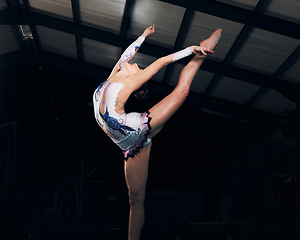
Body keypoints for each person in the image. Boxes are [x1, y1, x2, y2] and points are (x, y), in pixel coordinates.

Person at [93, 25, 221, 240]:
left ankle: (203, 52)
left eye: (137, 68)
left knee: (182, 91)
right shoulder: (115, 74)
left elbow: (162, 62)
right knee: (135, 199)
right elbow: (128, 54)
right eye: (133, 65)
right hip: (125, 144)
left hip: (135, 130)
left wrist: (191, 50)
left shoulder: (131, 81)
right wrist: (143, 36)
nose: (134, 64)